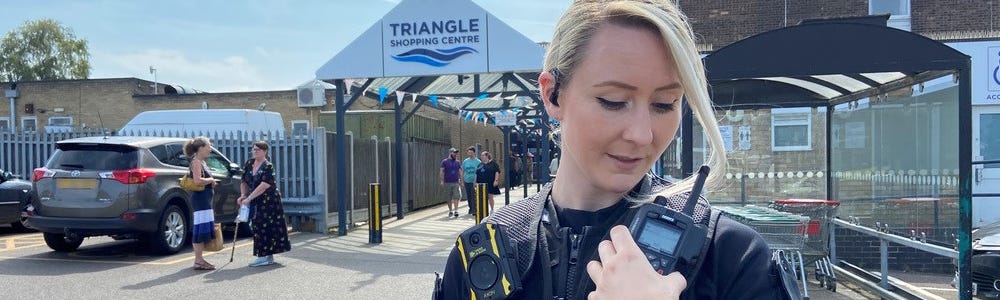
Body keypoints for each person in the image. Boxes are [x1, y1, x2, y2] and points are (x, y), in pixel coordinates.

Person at [437, 1, 788, 299]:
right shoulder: (482, 256)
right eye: (613, 101)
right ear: (552, 95)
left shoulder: (731, 259)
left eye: (665, 104)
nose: (641, 134)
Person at [238, 141, 291, 267]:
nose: (255, 151)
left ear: (265, 151)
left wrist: (249, 198)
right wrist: (243, 196)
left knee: (268, 227)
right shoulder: (249, 163)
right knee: (258, 226)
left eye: (258, 150)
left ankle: (265, 256)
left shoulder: (268, 166)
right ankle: (265, 255)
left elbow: (264, 185)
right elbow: (244, 181)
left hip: (270, 201)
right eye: (254, 149)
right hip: (256, 200)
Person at [184, 136, 218, 271]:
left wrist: (210, 182)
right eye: (208, 146)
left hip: (205, 199)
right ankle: (198, 260)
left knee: (203, 228)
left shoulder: (202, 162)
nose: (210, 149)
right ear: (201, 148)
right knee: (200, 229)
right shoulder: (196, 162)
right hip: (200, 199)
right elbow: (197, 181)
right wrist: (210, 180)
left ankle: (200, 259)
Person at [441, 147, 463, 218]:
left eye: (456, 153)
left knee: (456, 196)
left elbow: (460, 171)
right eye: (454, 153)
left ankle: (456, 210)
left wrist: (461, 181)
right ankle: (450, 210)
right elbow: (441, 171)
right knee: (448, 198)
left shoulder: (457, 162)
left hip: (456, 182)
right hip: (447, 182)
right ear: (450, 153)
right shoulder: (444, 161)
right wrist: (442, 180)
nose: (455, 154)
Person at [460, 146, 480, 215]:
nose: (470, 154)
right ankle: (471, 208)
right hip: (467, 180)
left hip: (474, 181)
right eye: (468, 153)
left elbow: (479, 172)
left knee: (474, 196)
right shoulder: (465, 161)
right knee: (469, 196)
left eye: (471, 153)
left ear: (474, 153)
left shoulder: (478, 162)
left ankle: (474, 210)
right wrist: (461, 181)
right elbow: (462, 171)